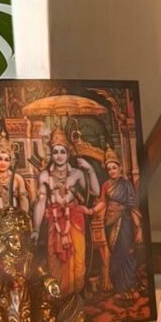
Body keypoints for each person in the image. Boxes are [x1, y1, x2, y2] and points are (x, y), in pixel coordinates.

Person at [32, 127, 98, 296]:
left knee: (78, 259)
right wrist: (36, 229)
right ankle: (59, 296)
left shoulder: (77, 174)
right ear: (51, 155)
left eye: (62, 151)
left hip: (75, 219)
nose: (59, 155)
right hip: (54, 222)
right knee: (54, 260)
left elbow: (96, 192)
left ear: (68, 154)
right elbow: (41, 202)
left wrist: (89, 170)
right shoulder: (45, 176)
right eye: (55, 152)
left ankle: (76, 294)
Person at [90, 147, 144, 300]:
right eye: (109, 169)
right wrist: (91, 211)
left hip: (125, 222)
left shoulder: (126, 185)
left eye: (114, 168)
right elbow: (102, 203)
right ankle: (119, 289)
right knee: (115, 255)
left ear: (120, 168)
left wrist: (139, 228)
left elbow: (133, 207)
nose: (112, 171)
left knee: (127, 252)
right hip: (110, 223)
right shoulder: (106, 185)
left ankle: (130, 285)